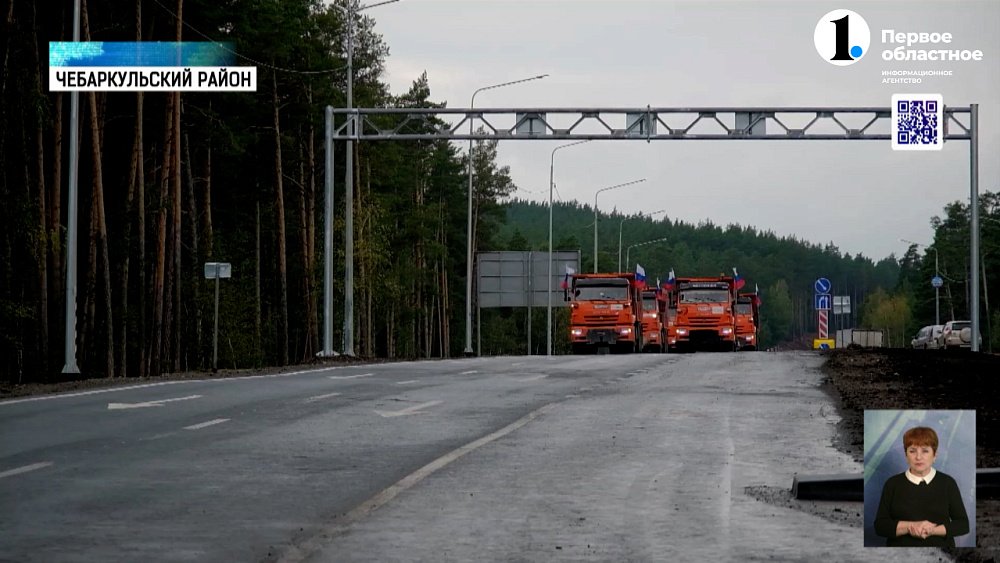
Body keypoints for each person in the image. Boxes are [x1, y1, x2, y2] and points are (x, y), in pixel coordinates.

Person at [873, 426, 970, 547]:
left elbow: (963, 525)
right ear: (906, 455)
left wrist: (932, 531)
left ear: (934, 455)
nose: (918, 457)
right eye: (912, 451)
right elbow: (880, 526)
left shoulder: (948, 483)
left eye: (925, 451)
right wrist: (911, 527)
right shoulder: (892, 484)